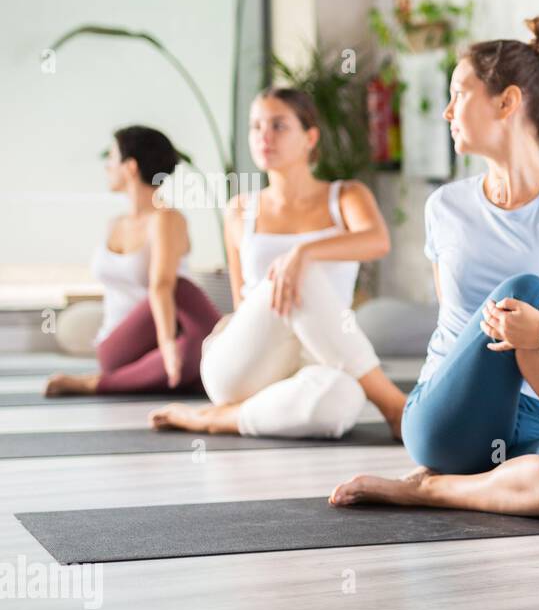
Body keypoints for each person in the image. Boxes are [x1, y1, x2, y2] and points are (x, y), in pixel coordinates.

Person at [330, 17, 539, 522]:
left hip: (534, 416)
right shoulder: (444, 206)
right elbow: (451, 331)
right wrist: (535, 323)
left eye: (459, 93)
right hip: (446, 416)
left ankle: (433, 491)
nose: (446, 111)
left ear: (507, 102)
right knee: (527, 292)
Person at [149, 88, 407, 439]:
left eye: (279, 126)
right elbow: (244, 303)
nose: (264, 137)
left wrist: (304, 251)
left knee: (338, 402)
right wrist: (298, 260)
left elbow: (377, 241)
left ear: (310, 137)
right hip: (245, 362)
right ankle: (393, 405)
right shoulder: (240, 210)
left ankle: (216, 419)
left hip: (319, 358)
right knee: (295, 274)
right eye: (256, 127)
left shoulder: (346, 196)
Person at [45, 126, 220, 397]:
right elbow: (163, 286)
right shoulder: (114, 224)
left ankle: (177, 372)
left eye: (111, 158)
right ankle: (98, 383)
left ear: (130, 167)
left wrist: (167, 344)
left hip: (159, 346)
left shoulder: (165, 218)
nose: (106, 167)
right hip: (118, 346)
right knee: (206, 334)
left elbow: (161, 285)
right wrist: (168, 345)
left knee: (200, 348)